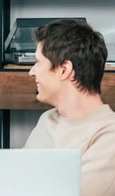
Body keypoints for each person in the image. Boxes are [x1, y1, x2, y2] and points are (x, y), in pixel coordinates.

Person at [23, 19, 115, 196]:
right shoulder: (47, 120)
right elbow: (19, 176)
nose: (32, 72)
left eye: (38, 62)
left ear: (64, 70)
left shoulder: (109, 136)